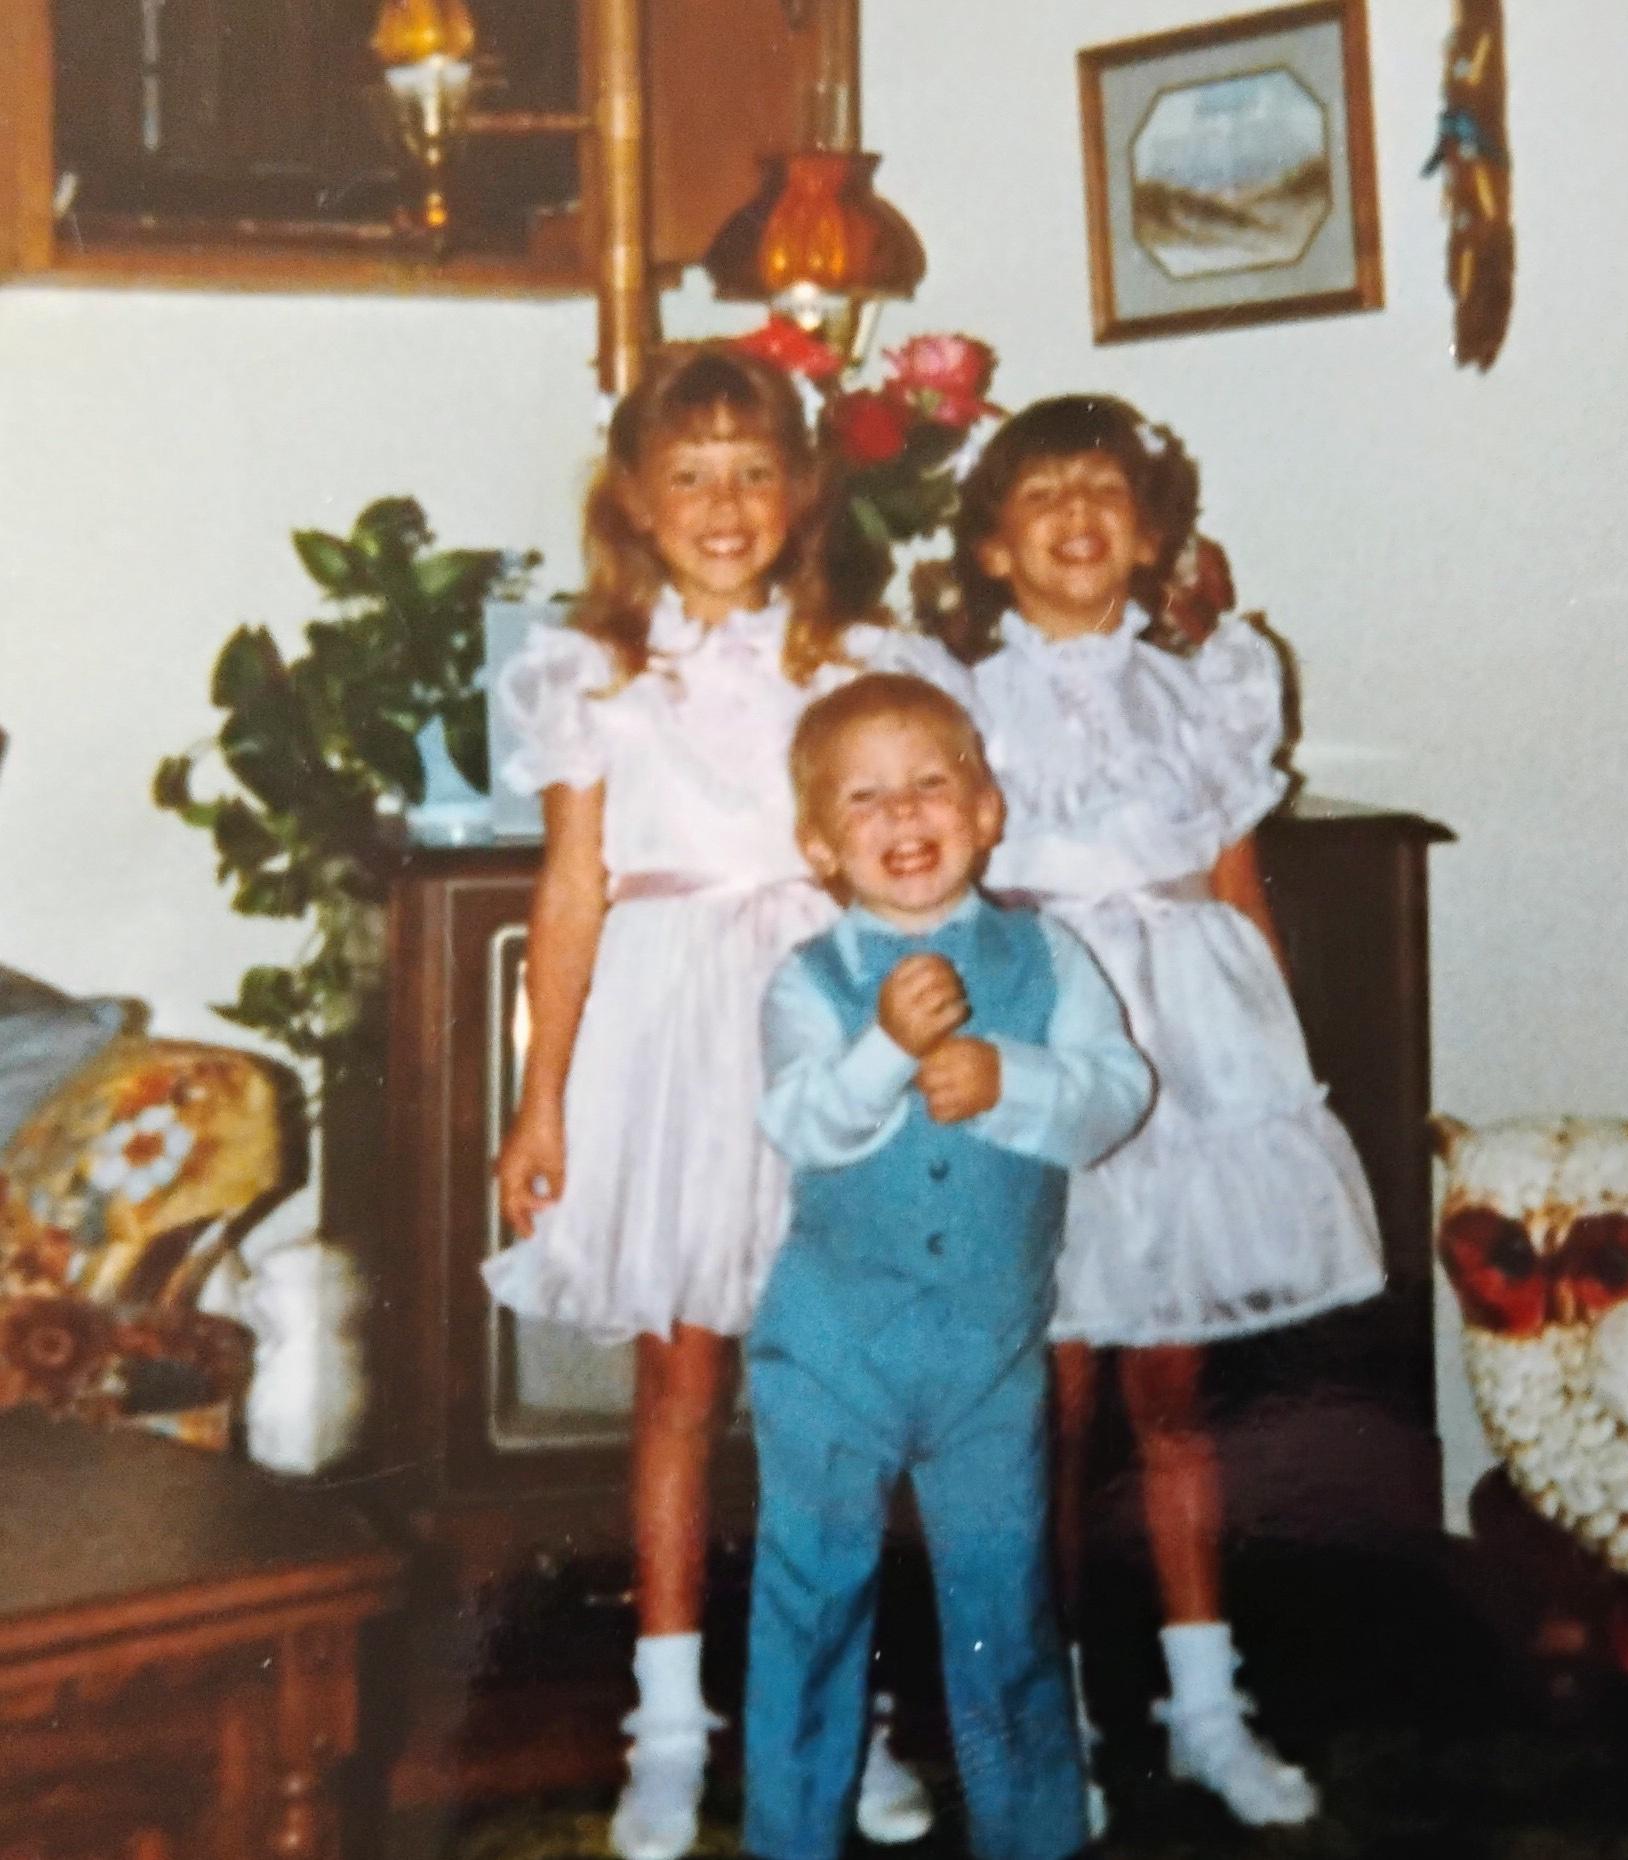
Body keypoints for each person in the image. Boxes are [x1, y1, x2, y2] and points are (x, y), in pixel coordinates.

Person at [488, 344, 929, 1860]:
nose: (724, 503)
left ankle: (837, 1714)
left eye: (753, 471)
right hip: (668, 1035)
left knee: (838, 1398)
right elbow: (569, 892)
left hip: (827, 1021)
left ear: (801, 491)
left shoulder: (863, 654)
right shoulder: (593, 672)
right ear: (636, 502)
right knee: (679, 1385)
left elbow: (914, 861)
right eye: (690, 476)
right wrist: (543, 1100)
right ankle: (667, 1732)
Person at [943, 395, 1386, 1829]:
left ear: (1148, 535)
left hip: (1191, 1062)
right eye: (1043, 497)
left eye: (1106, 494)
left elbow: (1235, 885)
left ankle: (1204, 1702)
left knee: (1176, 1400)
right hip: (1047, 1047)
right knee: (1045, 1403)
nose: (1078, 516)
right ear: (995, 549)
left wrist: (1274, 1069)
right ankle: (1042, 1709)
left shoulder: (1208, 689)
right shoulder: (963, 703)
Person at [744, 673, 1152, 1860]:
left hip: (988, 1358)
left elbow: (1118, 1095)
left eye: (931, 783)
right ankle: (789, 1838)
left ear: (986, 810)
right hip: (829, 1354)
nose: (904, 814)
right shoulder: (807, 983)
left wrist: (1009, 1079)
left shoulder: (1048, 955)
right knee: (810, 1608)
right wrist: (887, 1049)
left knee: (1003, 1618)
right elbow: (802, 1124)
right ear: (821, 842)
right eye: (865, 798)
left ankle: (1032, 1836)